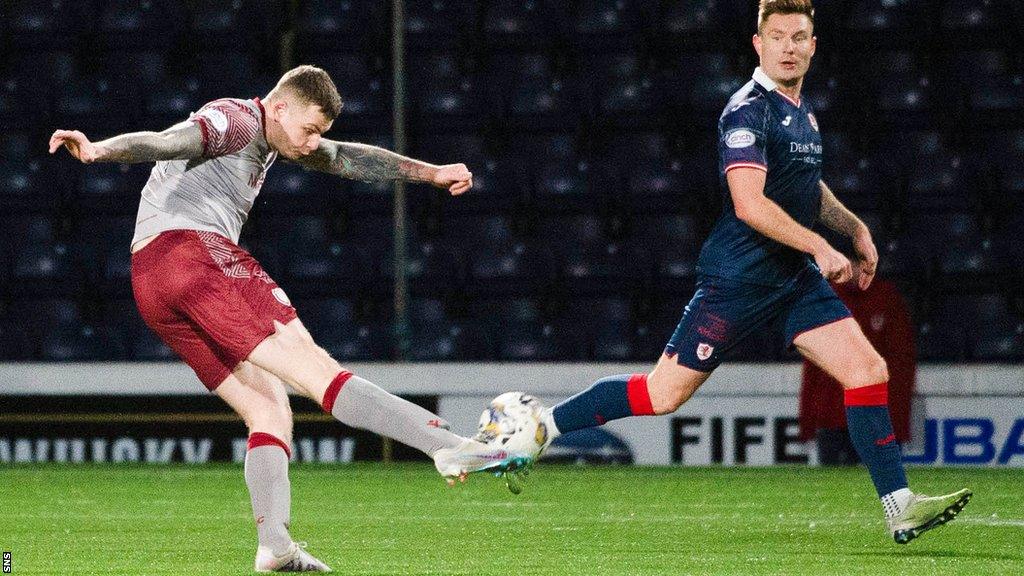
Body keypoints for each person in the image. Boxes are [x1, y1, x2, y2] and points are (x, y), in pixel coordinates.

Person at [534, 0, 970, 544]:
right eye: (779, 36)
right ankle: (542, 427)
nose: (789, 46)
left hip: (790, 280)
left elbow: (806, 187)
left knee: (867, 370)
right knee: (662, 394)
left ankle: (899, 505)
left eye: (800, 37)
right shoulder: (748, 109)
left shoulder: (801, 111)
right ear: (758, 44)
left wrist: (853, 228)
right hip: (739, 278)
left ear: (813, 46)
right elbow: (750, 204)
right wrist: (818, 246)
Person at [49, 65, 514, 573]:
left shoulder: (273, 138)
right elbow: (171, 140)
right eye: (310, 129)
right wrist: (101, 150)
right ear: (280, 108)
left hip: (152, 283)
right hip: (191, 251)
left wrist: (429, 173)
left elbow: (347, 159)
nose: (314, 143)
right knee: (315, 367)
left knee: (269, 410)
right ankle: (448, 446)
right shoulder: (240, 120)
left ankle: (274, 544)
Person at [800, 268, 916, 465]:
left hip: (874, 417)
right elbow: (813, 366)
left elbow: (901, 365)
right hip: (832, 416)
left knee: (878, 485)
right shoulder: (826, 299)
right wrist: (808, 421)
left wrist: (897, 420)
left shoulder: (886, 298)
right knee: (832, 485)